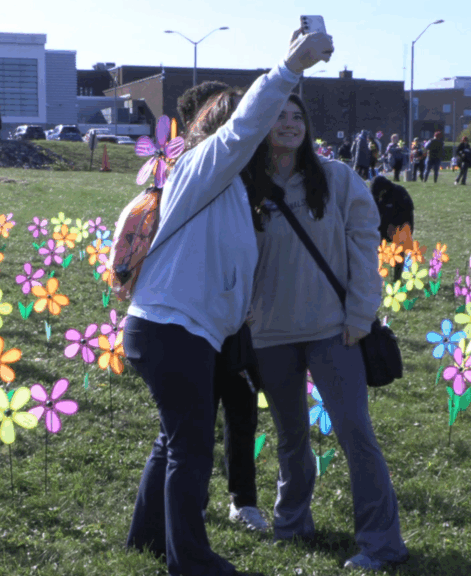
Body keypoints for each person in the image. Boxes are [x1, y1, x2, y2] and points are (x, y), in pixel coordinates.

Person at [124, 28, 333, 576]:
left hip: (178, 329)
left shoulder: (230, 189)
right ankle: (189, 561)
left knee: (173, 440)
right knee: (190, 448)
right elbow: (244, 126)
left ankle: (144, 540)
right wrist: (291, 66)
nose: (265, 138)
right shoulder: (205, 167)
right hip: (172, 329)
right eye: (256, 131)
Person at [241, 93, 409, 572]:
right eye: (279, 116)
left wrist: (361, 313)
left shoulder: (337, 178)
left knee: (355, 432)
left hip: (335, 331)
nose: (290, 124)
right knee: (290, 434)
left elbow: (363, 246)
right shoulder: (247, 183)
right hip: (270, 331)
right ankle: (292, 522)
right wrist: (245, 314)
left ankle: (382, 543)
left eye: (298, 117)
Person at [176, 78, 270, 535]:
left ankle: (242, 499)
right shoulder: (192, 172)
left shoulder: (250, 171)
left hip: (236, 312)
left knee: (240, 403)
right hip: (196, 314)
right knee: (191, 421)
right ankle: (189, 505)